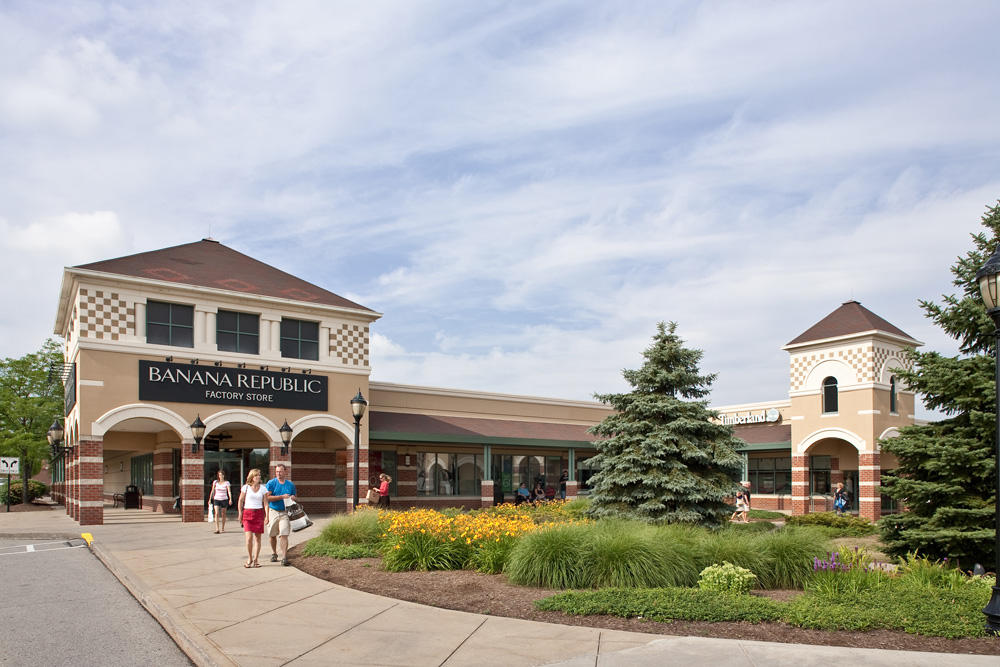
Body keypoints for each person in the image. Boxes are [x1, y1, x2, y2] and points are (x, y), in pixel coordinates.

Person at [265, 463, 297, 566]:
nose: (278, 473)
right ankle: (274, 553)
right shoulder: (271, 483)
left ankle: (284, 557)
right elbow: (267, 498)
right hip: (273, 511)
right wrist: (281, 497)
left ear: (285, 472)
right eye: (277, 471)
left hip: (285, 512)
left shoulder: (290, 484)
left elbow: (295, 496)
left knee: (284, 534)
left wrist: (292, 498)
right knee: (272, 535)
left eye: (280, 471)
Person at [237, 468, 268, 568]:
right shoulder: (245, 487)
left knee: (258, 538)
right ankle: (250, 558)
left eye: (259, 475)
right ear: (252, 477)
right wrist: (240, 513)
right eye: (256, 475)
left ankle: (256, 559)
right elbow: (240, 501)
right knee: (249, 538)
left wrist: (267, 516)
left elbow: (266, 503)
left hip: (258, 513)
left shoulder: (263, 488)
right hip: (247, 513)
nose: (258, 477)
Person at [209, 469, 232, 534]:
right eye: (219, 475)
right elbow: (212, 491)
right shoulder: (215, 482)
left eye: (221, 475)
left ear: (224, 476)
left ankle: (223, 528)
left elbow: (229, 491)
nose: (220, 476)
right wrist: (210, 498)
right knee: (216, 513)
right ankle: (217, 528)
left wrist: (230, 499)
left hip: (224, 499)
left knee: (223, 513)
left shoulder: (227, 483)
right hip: (216, 499)